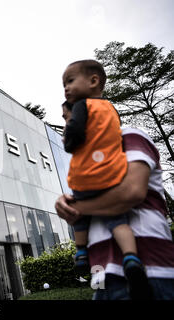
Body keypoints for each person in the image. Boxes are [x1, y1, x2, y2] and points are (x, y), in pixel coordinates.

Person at [61, 59, 149, 298]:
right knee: (118, 220)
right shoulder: (111, 109)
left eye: (69, 81)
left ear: (93, 81)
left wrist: (70, 141)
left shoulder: (82, 106)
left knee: (79, 217)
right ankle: (131, 257)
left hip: (85, 177)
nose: (66, 88)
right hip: (112, 174)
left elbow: (76, 131)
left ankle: (80, 253)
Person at [55, 126, 174, 300]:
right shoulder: (81, 158)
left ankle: (129, 257)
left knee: (117, 222)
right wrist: (67, 203)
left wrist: (77, 206)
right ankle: (83, 253)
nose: (67, 123)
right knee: (105, 223)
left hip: (151, 272)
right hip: (102, 278)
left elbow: (131, 192)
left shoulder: (125, 136)